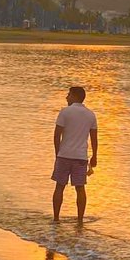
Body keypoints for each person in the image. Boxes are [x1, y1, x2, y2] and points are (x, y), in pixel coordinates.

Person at [51, 86, 98, 222]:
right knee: (80, 188)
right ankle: (80, 220)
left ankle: (56, 218)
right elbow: (94, 138)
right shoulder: (90, 115)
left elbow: (56, 135)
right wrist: (95, 156)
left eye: (69, 95)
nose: (67, 97)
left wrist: (57, 154)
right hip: (80, 157)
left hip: (64, 155)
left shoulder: (65, 112)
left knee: (59, 186)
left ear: (75, 96)